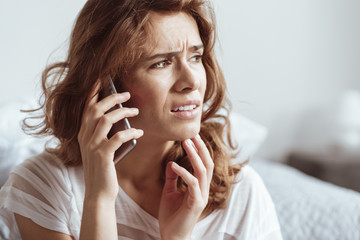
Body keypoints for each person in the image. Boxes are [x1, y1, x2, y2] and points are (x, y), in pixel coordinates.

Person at [0, 0, 282, 239]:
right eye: (161, 62)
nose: (191, 81)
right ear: (106, 86)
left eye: (195, 57)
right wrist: (99, 200)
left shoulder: (242, 195)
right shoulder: (42, 187)